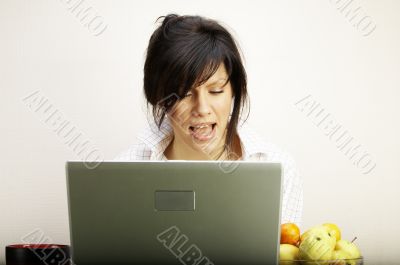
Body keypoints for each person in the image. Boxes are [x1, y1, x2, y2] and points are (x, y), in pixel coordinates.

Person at [115, 14, 303, 225]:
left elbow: (283, 254)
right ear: (160, 97)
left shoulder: (278, 168)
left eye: (215, 90)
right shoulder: (121, 172)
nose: (202, 109)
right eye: (184, 94)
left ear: (234, 90)